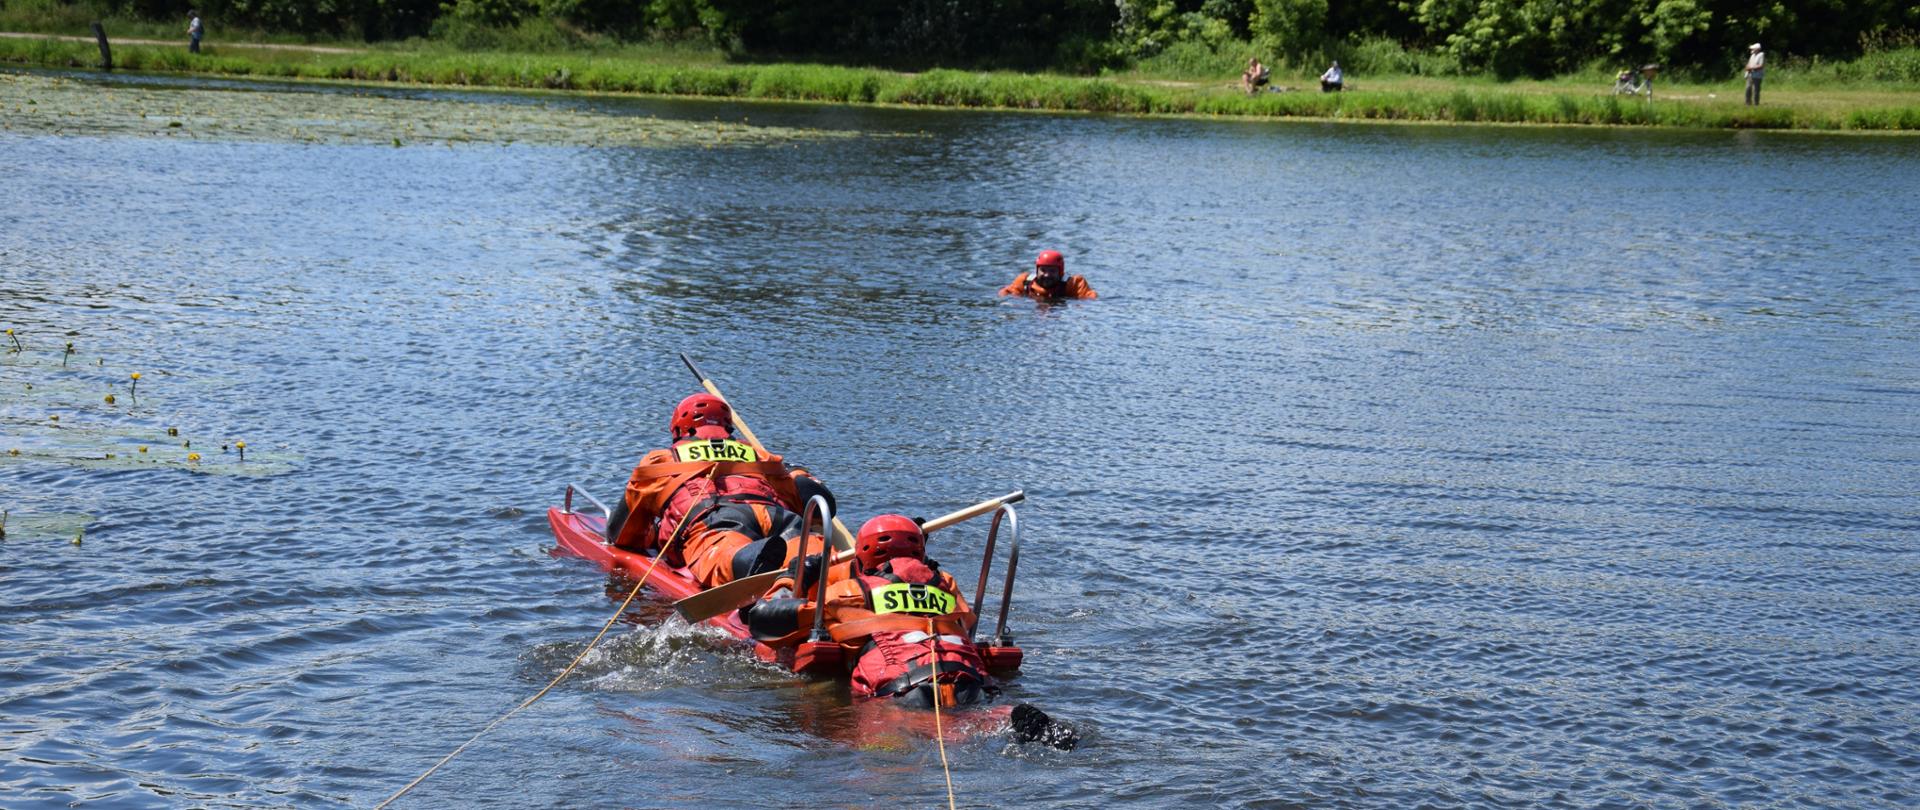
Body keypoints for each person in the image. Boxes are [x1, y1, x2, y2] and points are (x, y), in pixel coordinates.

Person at [744, 514, 992, 707]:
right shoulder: (947, 588)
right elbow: (966, 621)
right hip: (972, 680)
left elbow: (763, 618)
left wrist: (793, 578)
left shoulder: (851, 592)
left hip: (902, 690)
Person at [602, 392, 833, 589]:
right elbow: (799, 497)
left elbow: (623, 533)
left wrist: (657, 533)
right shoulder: (759, 454)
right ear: (728, 427)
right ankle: (824, 567)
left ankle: (752, 563)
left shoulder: (661, 460)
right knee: (806, 545)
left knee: (723, 552)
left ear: (678, 430)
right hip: (777, 516)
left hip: (716, 523)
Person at [999, 250, 1096, 301]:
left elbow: (1089, 298)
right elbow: (1006, 292)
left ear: (1060, 272)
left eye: (1052, 271)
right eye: (1043, 270)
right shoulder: (1025, 281)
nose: (1047, 275)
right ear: (1037, 270)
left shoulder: (1073, 283)